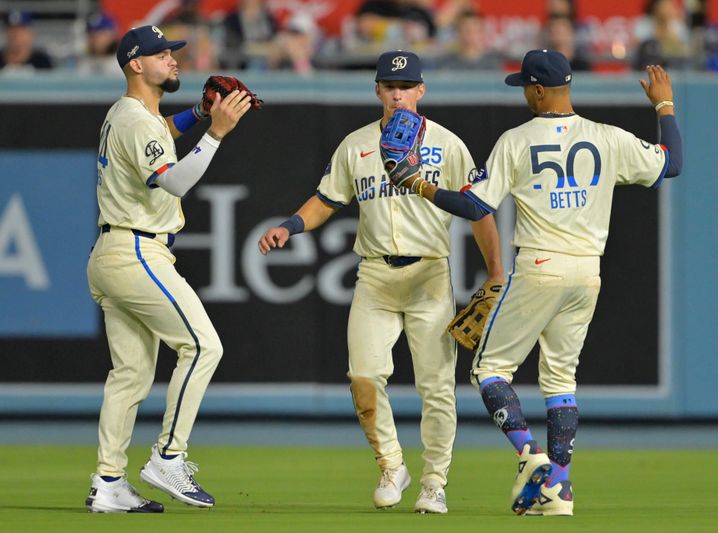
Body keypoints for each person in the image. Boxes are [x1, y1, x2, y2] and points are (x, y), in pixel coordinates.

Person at [398, 50, 683, 516]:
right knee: (560, 379)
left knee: (487, 371)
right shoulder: (607, 138)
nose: (523, 93)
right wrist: (664, 106)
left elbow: (475, 207)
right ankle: (560, 490)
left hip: (540, 265)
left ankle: (531, 457)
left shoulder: (517, 140)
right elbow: (671, 164)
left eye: (524, 86)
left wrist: (421, 185)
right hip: (587, 272)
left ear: (537, 89)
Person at [257, 50, 503, 514]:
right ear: (377, 91)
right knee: (363, 377)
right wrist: (289, 226)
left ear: (421, 90)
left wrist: (495, 272)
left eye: (406, 86)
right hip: (374, 275)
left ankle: (434, 482)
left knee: (436, 387)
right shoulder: (356, 145)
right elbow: (327, 199)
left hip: (429, 272)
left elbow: (479, 210)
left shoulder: (447, 144)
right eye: (389, 86)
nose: (397, 94)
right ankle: (392, 465)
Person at [85, 25, 252, 513]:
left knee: (131, 375)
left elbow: (163, 133)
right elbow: (172, 181)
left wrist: (199, 114)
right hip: (136, 250)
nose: (174, 60)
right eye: (162, 54)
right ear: (136, 64)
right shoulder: (137, 120)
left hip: (112, 251)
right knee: (203, 346)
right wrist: (217, 133)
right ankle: (168, 456)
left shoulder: (133, 115)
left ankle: (109, 481)